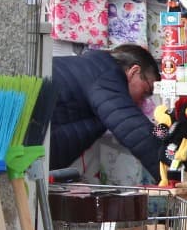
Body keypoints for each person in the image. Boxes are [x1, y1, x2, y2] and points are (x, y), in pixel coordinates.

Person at [50, 44, 165, 180]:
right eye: (146, 92)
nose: (143, 101)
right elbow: (131, 127)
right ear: (134, 71)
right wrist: (171, 168)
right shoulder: (106, 74)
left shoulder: (96, 69)